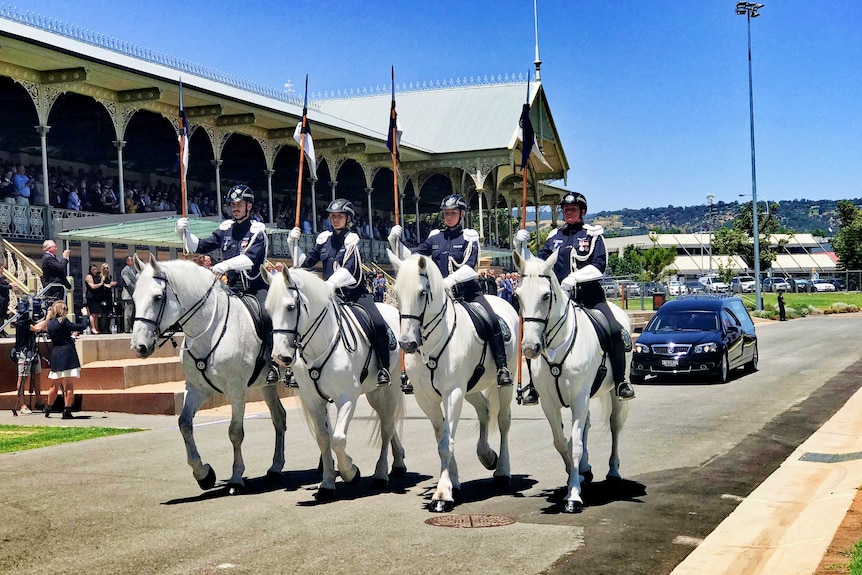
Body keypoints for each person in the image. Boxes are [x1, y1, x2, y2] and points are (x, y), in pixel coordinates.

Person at [516, 192, 635, 401]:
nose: (568, 213)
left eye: (573, 209)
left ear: (582, 212)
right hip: (561, 302)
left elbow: (600, 266)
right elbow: (538, 265)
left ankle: (621, 381)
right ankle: (534, 386)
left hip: (590, 298)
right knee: (532, 333)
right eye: (565, 209)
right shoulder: (554, 237)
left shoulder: (593, 234)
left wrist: (574, 278)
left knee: (614, 330)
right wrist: (521, 247)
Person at [388, 194, 513, 387]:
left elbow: (470, 266)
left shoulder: (468, 237)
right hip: (441, 298)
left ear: (462, 214)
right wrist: (395, 242)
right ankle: (416, 371)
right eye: (446, 213)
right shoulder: (435, 237)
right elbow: (413, 258)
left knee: (491, 319)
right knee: (416, 321)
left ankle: (502, 367)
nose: (448, 217)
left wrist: (448, 281)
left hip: (468, 295)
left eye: (453, 213)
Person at [175, 184, 279, 384]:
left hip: (254, 288)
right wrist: (183, 234)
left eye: (240, 204)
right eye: (233, 204)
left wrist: (224, 265)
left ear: (249, 206)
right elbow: (201, 246)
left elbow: (250, 260)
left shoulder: (258, 230)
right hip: (230, 289)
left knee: (268, 315)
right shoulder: (225, 229)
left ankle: (273, 363)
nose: (235, 208)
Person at [288, 199, 392, 385]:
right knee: (301, 322)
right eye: (333, 216)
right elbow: (306, 264)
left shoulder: (353, 240)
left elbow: (349, 269)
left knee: (378, 324)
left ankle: (384, 368)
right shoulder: (324, 240)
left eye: (340, 216)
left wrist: (329, 284)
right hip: (331, 297)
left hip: (355, 295)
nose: (335, 220)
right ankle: (296, 370)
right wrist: (293, 244)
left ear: (348, 219)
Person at [44, 301, 90, 419]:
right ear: (61, 310)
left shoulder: (50, 324)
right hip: (68, 354)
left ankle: (48, 407)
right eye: (65, 309)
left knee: (54, 385)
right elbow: (82, 326)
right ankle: (67, 410)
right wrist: (85, 315)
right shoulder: (64, 321)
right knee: (69, 385)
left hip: (56, 354)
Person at [11, 301, 48, 415]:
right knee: (22, 378)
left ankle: (39, 402)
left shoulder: (32, 320)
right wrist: (48, 317)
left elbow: (42, 328)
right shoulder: (22, 321)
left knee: (37, 377)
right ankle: (22, 404)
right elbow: (37, 328)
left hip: (33, 350)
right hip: (24, 352)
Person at [84, 264, 106, 334]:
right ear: (90, 270)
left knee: (96, 313)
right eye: (93, 269)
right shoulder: (88, 276)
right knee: (93, 313)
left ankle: (96, 327)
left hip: (97, 296)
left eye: (95, 269)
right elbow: (92, 286)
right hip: (91, 296)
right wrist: (101, 284)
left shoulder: (97, 276)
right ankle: (92, 327)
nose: (94, 271)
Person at [120, 255, 138, 333]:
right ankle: (127, 329)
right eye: (131, 260)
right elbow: (128, 283)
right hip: (128, 294)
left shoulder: (131, 270)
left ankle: (131, 328)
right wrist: (135, 289)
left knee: (132, 312)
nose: (132, 261)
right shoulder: (125, 271)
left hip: (132, 294)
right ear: (127, 262)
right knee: (128, 313)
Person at [98, 263, 118, 332]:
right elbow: (101, 285)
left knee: (109, 312)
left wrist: (111, 284)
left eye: (107, 268)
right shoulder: (100, 276)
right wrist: (107, 285)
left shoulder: (109, 276)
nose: (106, 269)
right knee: (103, 313)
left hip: (109, 295)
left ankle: (107, 327)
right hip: (102, 295)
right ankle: (102, 328)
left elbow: (110, 284)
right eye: (104, 268)